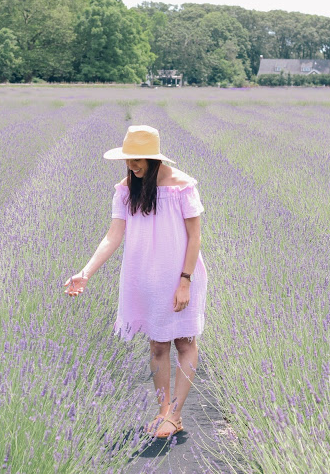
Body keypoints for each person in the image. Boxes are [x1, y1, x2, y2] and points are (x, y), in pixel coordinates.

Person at [64, 125, 208, 439]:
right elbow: (113, 235)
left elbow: (195, 237)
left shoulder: (182, 186)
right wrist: (85, 272)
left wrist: (185, 281)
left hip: (179, 274)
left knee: (184, 341)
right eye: (128, 160)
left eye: (138, 160)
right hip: (146, 276)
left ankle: (176, 414)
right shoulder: (126, 188)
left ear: (153, 158)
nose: (132, 166)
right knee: (157, 344)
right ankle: (163, 411)